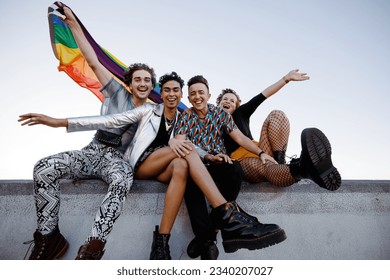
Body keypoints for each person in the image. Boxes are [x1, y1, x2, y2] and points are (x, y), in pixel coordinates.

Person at [19, 72, 287, 260]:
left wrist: (214, 155)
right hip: (142, 163)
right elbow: (112, 121)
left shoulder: (184, 117)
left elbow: (187, 142)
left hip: (168, 165)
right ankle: (228, 215)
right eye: (167, 89)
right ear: (162, 93)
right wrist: (58, 122)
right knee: (184, 151)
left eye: (176, 90)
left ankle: (161, 244)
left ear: (183, 95)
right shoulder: (149, 111)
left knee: (183, 165)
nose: (172, 94)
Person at [19, 4, 158, 260]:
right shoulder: (115, 93)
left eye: (147, 80)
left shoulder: (155, 113)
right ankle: (49, 237)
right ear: (129, 83)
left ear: (152, 86)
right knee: (44, 167)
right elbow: (92, 60)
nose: (142, 83)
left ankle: (93, 246)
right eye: (137, 79)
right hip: (92, 152)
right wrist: (73, 23)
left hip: (118, 161)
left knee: (122, 181)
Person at [175, 75, 289, 259]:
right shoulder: (185, 117)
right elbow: (180, 143)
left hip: (221, 162)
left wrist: (261, 153)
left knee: (234, 170)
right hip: (197, 163)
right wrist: (207, 156)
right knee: (190, 185)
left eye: (201, 92)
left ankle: (213, 228)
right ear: (188, 98)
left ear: (208, 95)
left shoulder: (219, 114)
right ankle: (206, 242)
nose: (197, 96)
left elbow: (240, 138)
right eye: (193, 94)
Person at [215, 69, 341, 191]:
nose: (228, 101)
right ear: (218, 103)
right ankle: (301, 170)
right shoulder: (210, 121)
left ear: (237, 106)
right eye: (224, 99)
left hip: (261, 150)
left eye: (232, 100)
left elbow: (263, 95)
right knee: (266, 168)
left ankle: (280, 161)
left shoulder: (240, 113)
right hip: (242, 161)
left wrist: (286, 79)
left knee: (276, 115)